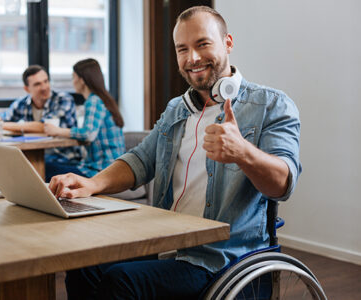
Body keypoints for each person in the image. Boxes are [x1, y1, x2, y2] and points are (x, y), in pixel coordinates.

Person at [49, 6, 301, 299]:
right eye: (182, 49)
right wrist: (92, 183)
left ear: (228, 43)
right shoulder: (177, 109)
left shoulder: (272, 105)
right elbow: (141, 160)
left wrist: (242, 152)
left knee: (121, 282)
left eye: (202, 44)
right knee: (83, 264)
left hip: (222, 262)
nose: (192, 58)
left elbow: (283, 184)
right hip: (165, 246)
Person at [0, 65, 81, 179]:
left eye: (46, 81)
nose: (44, 87)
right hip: (36, 157)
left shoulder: (63, 99)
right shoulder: (23, 103)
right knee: (5, 164)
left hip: (64, 158)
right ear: (27, 89)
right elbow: (4, 117)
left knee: (25, 169)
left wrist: (0, 125)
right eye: (37, 84)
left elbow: (44, 126)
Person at [43, 58, 125, 181]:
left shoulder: (93, 101)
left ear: (82, 80)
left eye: (73, 77)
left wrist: (58, 131)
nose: (73, 81)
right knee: (51, 161)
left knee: (43, 167)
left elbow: (88, 134)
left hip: (100, 171)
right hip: (108, 167)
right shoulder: (103, 99)